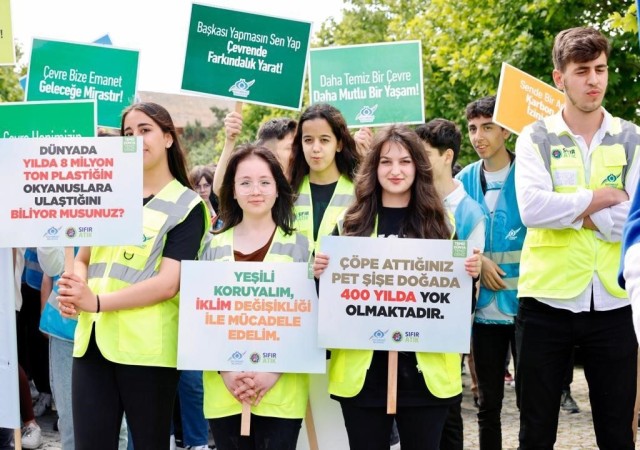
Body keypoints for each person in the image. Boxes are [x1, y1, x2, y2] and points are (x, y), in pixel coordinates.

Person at [313, 125, 481, 450]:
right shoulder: (348, 224)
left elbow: (458, 307)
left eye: (405, 162)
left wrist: (469, 277)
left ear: (418, 167)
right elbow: (330, 306)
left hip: (425, 379)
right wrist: (320, 275)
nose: (395, 170)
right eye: (386, 162)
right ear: (373, 168)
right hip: (363, 379)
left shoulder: (443, 225)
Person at [57, 102, 210, 450]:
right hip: (92, 344)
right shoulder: (109, 191)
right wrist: (75, 286)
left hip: (147, 353)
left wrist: (94, 301)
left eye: (146, 130)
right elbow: (84, 257)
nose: (136, 139)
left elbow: (169, 283)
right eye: (129, 133)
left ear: (168, 138)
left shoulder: (187, 205)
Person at [515, 26, 640, 449]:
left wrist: (570, 210)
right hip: (545, 301)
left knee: (618, 434)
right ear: (559, 78)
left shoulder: (633, 137)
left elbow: (633, 220)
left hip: (614, 300)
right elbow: (531, 209)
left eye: (600, 69)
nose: (594, 80)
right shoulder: (535, 136)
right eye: (582, 70)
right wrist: (603, 198)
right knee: (536, 433)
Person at [201, 144, 310, 450]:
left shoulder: (301, 247)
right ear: (232, 191)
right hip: (225, 391)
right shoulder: (211, 246)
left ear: (278, 188)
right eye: (245, 182)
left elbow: (306, 321)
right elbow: (201, 319)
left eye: (264, 182)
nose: (255, 191)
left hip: (281, 392)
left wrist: (271, 372)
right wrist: (227, 372)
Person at [455, 95, 525, 450]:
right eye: (472, 128)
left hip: (526, 308)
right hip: (481, 314)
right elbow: (444, 239)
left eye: (487, 127)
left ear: (506, 131)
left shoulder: (528, 175)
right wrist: (476, 259)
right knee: (488, 405)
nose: (478, 136)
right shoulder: (462, 180)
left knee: (531, 405)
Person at [416, 118, 486, 450]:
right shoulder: (411, 200)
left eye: (424, 154)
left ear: (447, 156)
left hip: (446, 328)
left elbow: (467, 277)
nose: (417, 163)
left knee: (447, 409)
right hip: (406, 321)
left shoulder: (470, 212)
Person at [290, 103, 360, 255]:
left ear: (339, 144)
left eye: (324, 140)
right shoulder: (288, 192)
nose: (315, 148)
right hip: (296, 278)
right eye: (308, 140)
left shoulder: (360, 192)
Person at [212, 113, 297, 195]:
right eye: (291, 148)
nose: (299, 152)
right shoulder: (257, 190)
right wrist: (230, 141)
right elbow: (221, 189)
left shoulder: (306, 180)